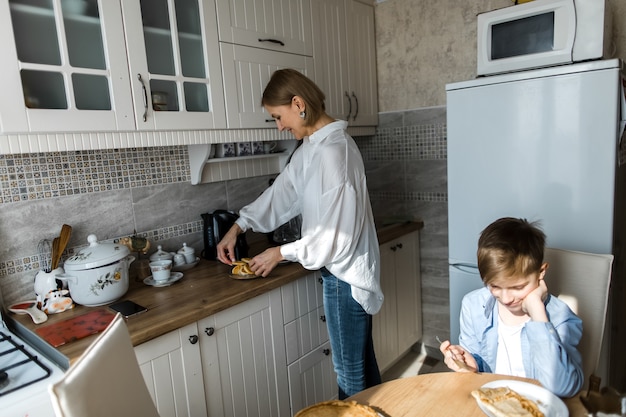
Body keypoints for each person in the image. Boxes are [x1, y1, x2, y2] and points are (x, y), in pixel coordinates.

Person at [216, 68, 383, 399]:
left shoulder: (334, 153)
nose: (280, 126)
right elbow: (283, 193)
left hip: (344, 278)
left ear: (298, 103)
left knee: (350, 375)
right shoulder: (313, 148)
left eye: (278, 117)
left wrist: (280, 253)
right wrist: (239, 225)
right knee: (364, 367)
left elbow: (334, 239)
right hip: (344, 274)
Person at [439, 217, 584, 398]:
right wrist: (470, 366)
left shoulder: (561, 317)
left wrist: (537, 312)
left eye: (517, 287)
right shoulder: (473, 306)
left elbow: (563, 387)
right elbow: (477, 374)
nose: (506, 299)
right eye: (495, 286)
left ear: (541, 272)